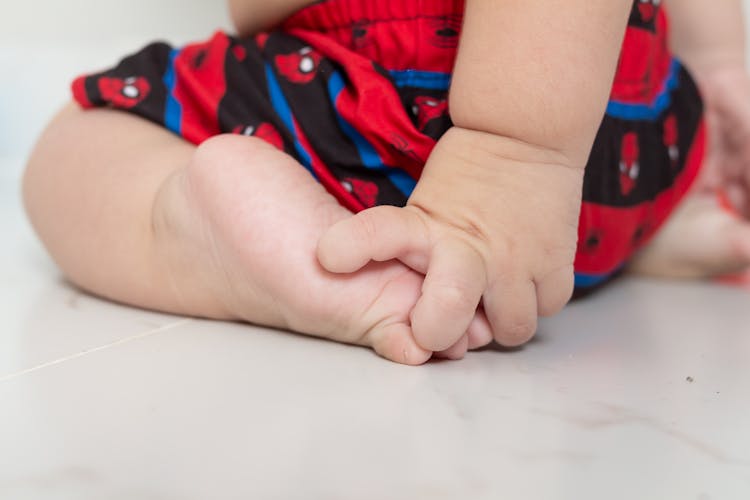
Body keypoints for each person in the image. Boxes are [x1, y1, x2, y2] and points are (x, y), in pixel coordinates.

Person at [22, 0, 750, 364]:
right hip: (627, 131)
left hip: (368, 109)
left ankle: (269, 247)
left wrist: (512, 156)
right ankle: (658, 215)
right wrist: (719, 68)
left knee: (80, 146)